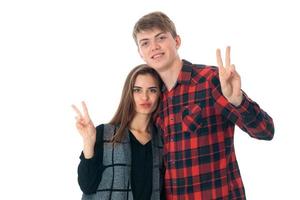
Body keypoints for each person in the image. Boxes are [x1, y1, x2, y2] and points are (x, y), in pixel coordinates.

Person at [132, 11, 275, 200]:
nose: (154, 47)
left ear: (177, 41)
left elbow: (266, 131)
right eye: (145, 42)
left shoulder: (210, 80)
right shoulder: (154, 97)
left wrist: (238, 100)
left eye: (161, 37)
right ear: (140, 53)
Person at [72, 64, 165, 200]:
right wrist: (88, 142)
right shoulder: (105, 134)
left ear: (160, 95)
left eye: (152, 90)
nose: (145, 97)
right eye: (137, 90)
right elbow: (87, 185)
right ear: (129, 93)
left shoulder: (162, 140)